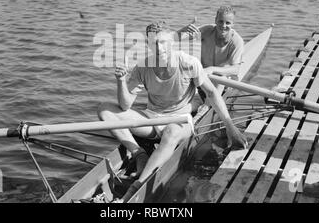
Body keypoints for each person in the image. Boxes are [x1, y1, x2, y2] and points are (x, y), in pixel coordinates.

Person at [97, 21, 248, 203]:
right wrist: (121, 81)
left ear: (171, 42)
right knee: (104, 110)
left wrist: (230, 127)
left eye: (163, 42)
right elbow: (125, 105)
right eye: (154, 43)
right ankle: (139, 154)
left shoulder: (188, 62)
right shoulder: (143, 66)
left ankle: (136, 188)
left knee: (170, 131)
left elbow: (212, 92)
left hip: (181, 120)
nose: (159, 48)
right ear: (148, 44)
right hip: (152, 120)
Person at [178, 5, 244, 99]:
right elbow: (176, 41)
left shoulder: (237, 41)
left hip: (224, 84)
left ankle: (208, 106)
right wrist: (183, 30)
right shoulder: (206, 30)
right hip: (204, 79)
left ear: (233, 24)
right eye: (220, 21)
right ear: (215, 20)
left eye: (228, 23)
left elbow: (236, 69)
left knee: (222, 78)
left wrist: (211, 69)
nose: (223, 26)